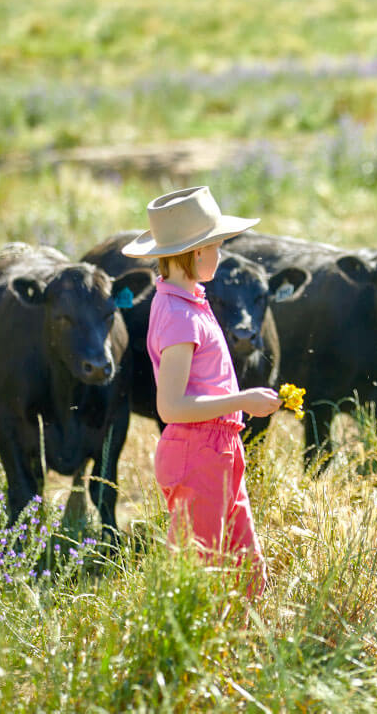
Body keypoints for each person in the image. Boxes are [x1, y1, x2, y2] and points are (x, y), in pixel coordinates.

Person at [122, 186, 281, 597]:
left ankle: (238, 655)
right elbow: (171, 406)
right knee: (202, 578)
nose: (220, 255)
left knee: (247, 574)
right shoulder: (179, 315)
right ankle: (193, 657)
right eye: (217, 246)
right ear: (195, 253)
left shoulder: (187, 301)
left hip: (218, 448)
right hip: (198, 452)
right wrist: (243, 401)